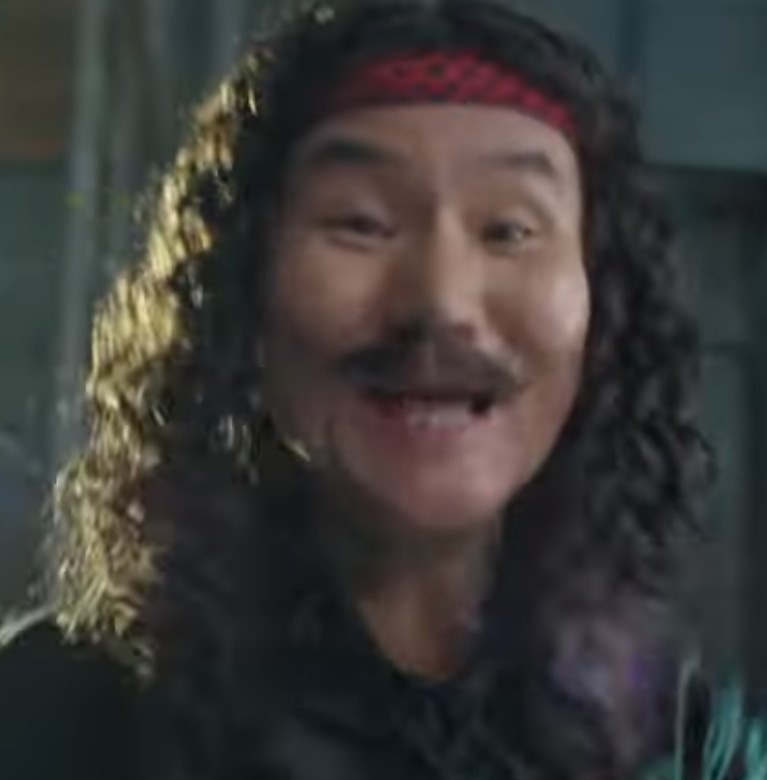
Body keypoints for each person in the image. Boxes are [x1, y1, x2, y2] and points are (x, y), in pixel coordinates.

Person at [1, 1, 764, 779]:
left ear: (602, 306)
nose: (441, 301)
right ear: (238, 288)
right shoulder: (54, 713)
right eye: (360, 223)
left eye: (508, 231)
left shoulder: (682, 739)